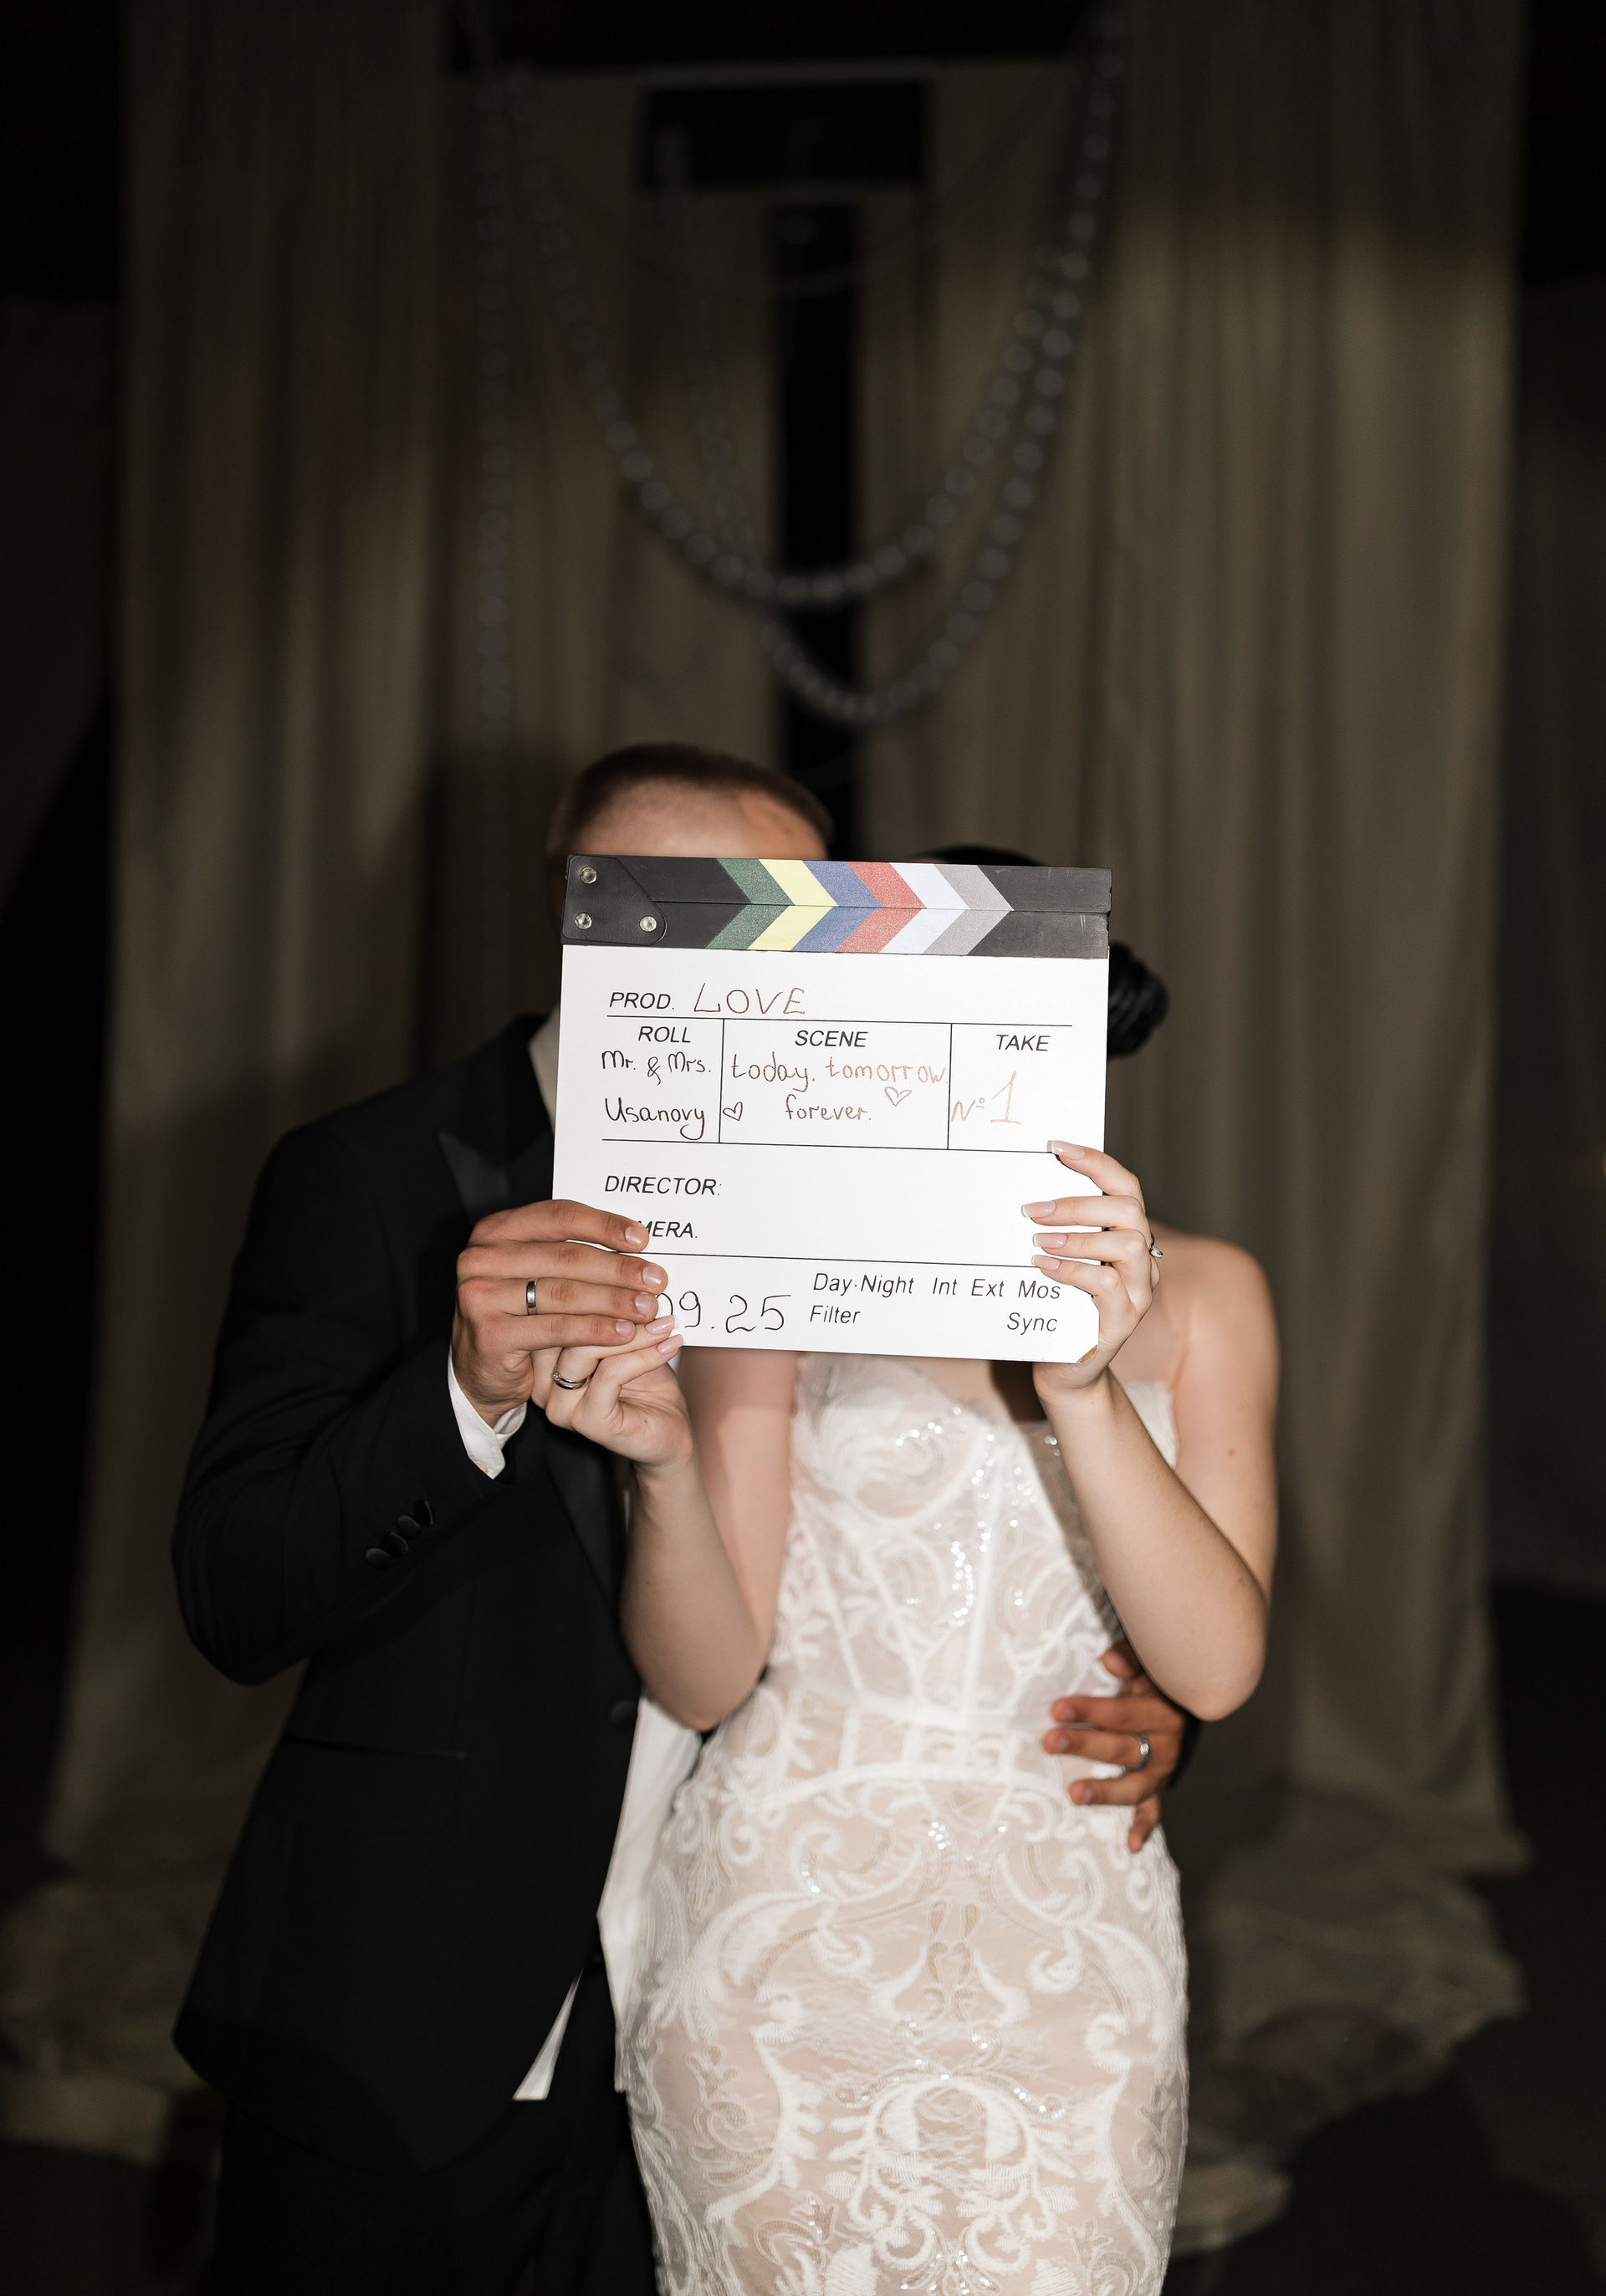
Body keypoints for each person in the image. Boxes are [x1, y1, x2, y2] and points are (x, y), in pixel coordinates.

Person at [171, 746, 1204, 2293]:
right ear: (573, 915)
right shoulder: (372, 1173)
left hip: (770, 1979)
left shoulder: (912, 1191)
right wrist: (460, 1391)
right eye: (664, 905)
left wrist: (1128, 1697)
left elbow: (991, 1526)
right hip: (426, 1988)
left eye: (770, 911)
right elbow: (234, 1589)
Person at [534, 847, 1281, 2293]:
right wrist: (665, 1467)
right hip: (779, 1917)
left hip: (1068, 1918)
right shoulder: (775, 1282)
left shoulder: (1210, 1293)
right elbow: (705, 1676)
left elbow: (1216, 1669)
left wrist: (1082, 1393)